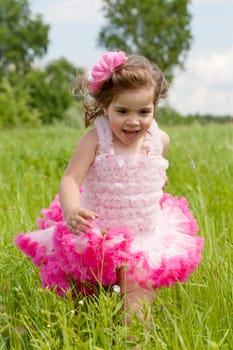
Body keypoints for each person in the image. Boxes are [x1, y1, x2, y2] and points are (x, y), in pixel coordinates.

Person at [15, 51, 204, 329]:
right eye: (123, 111)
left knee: (137, 301)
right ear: (106, 107)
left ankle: (134, 344)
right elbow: (70, 179)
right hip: (98, 232)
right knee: (88, 301)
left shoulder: (159, 140)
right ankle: (88, 334)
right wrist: (70, 209)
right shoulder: (95, 140)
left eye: (144, 112)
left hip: (143, 234)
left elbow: (156, 170)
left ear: (154, 107)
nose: (134, 121)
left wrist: (155, 182)